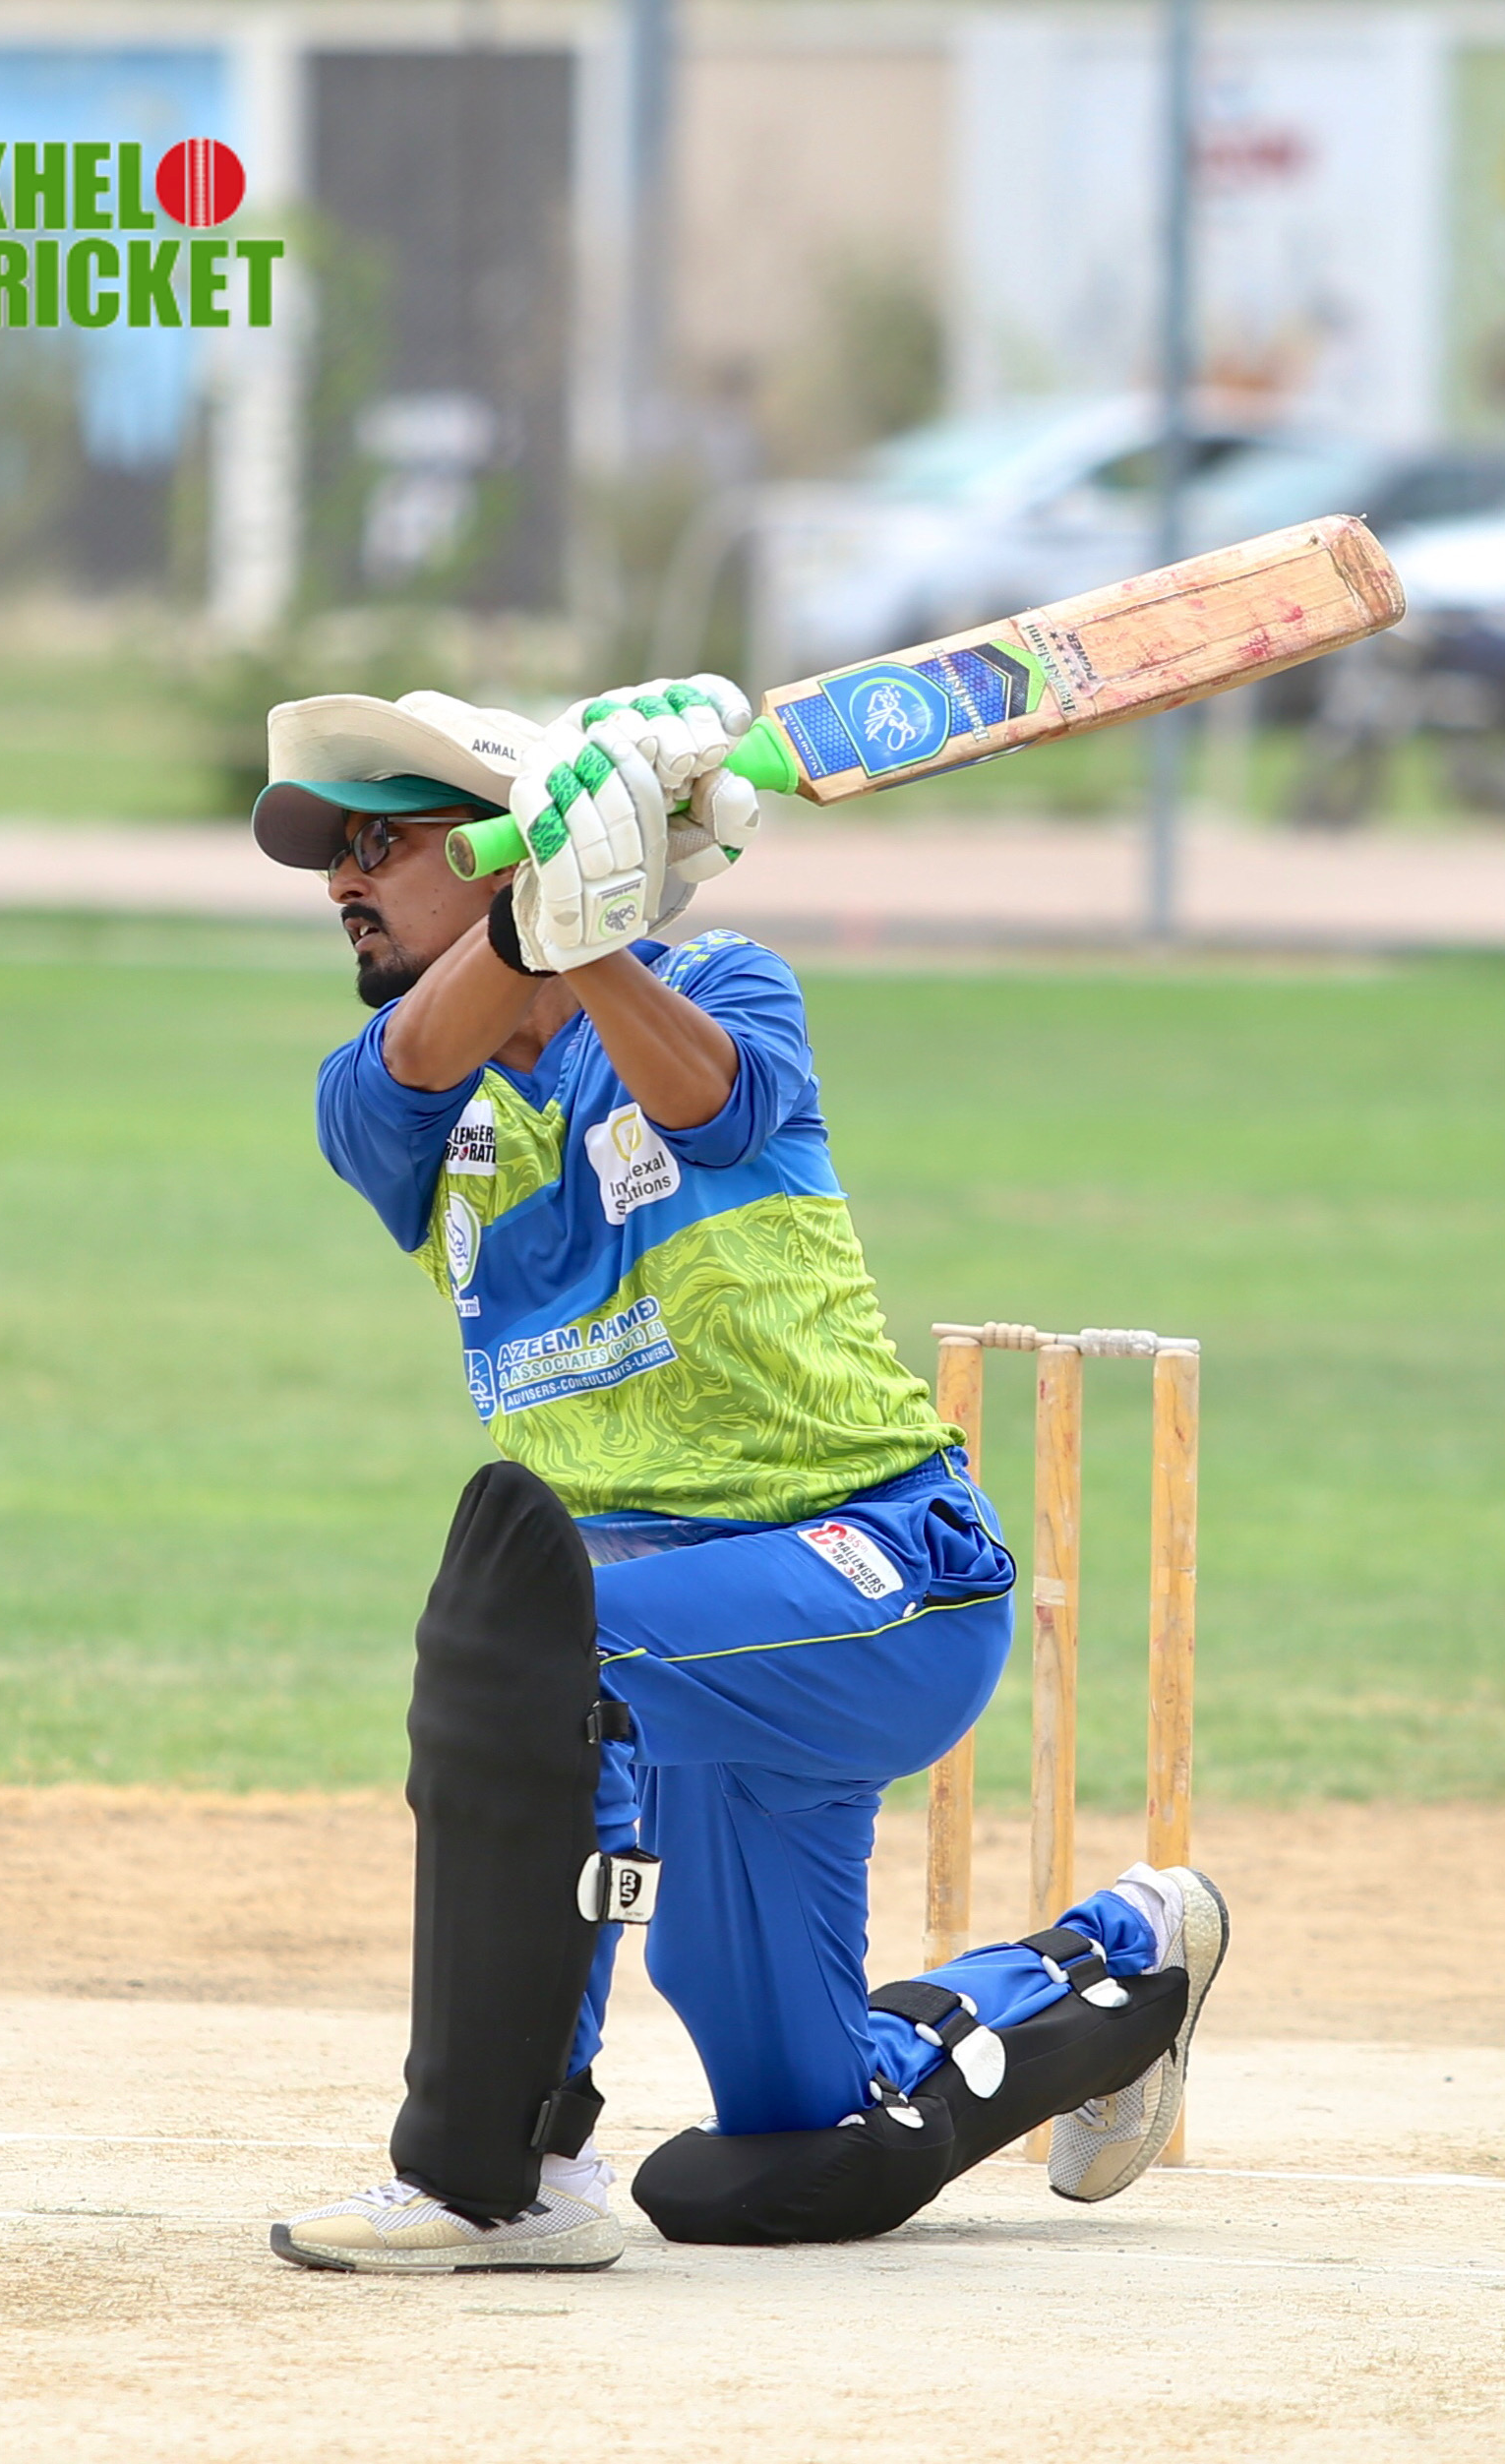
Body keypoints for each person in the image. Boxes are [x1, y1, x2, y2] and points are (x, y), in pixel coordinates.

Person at [248, 676, 1229, 2273]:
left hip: (879, 1574)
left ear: (507, 847)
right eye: (328, 857)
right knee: (791, 2134)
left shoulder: (721, 984)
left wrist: (591, 937)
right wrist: (535, 930)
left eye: (380, 842)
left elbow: (711, 1102)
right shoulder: (382, 1096)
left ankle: (504, 2173)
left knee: (543, 1657)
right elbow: (414, 1067)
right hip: (690, 1642)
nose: (340, 881)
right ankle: (1127, 1960)